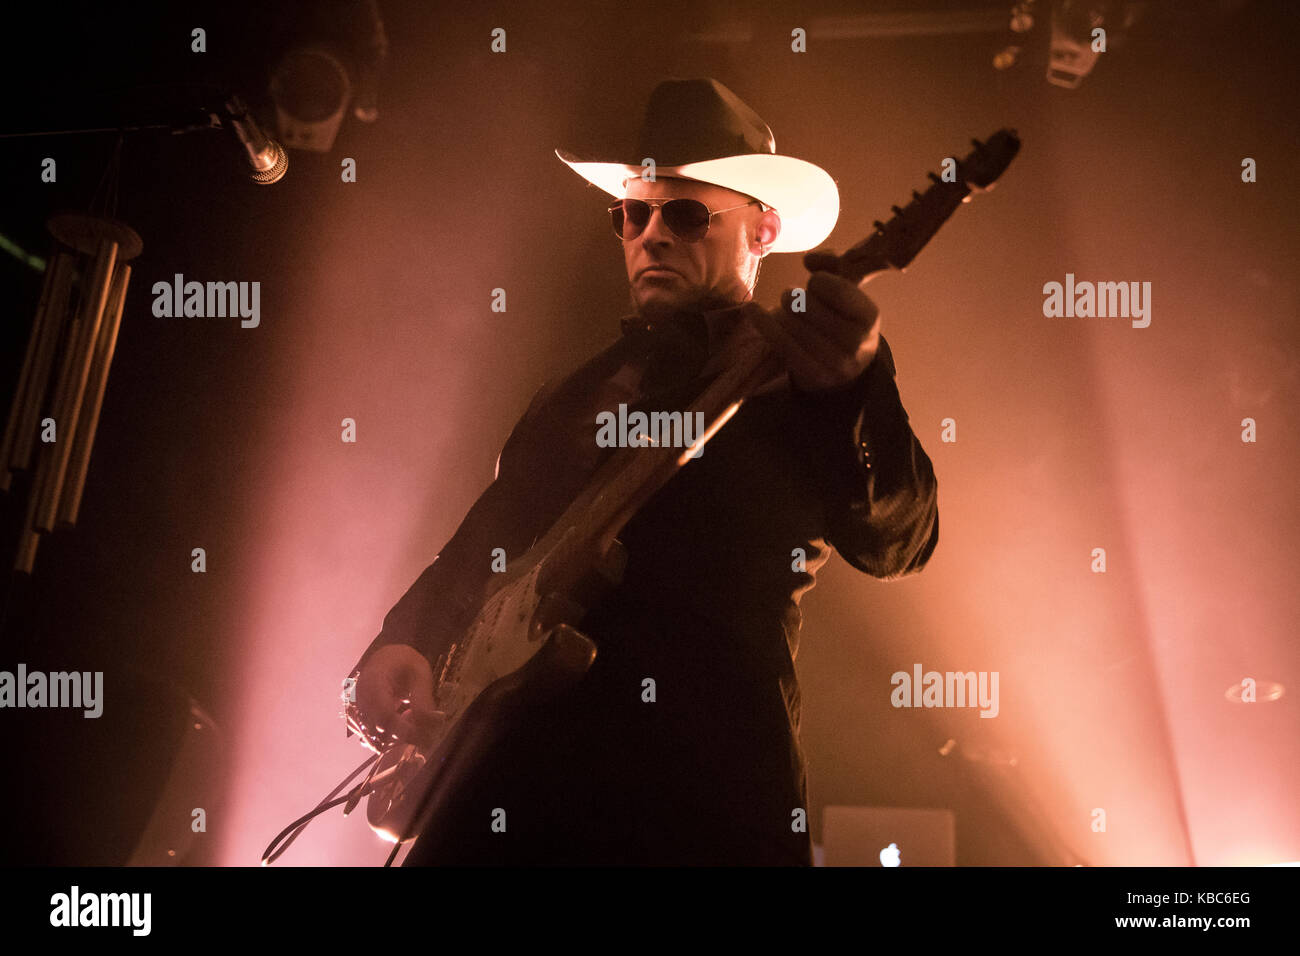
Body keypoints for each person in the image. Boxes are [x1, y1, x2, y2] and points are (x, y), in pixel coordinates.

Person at [344, 78, 939, 865]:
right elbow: (492, 538)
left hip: (696, 800)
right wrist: (405, 638)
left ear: (763, 230)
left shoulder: (807, 370)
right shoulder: (574, 388)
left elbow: (900, 541)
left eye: (687, 213)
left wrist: (850, 392)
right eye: (634, 212)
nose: (651, 234)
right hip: (507, 791)